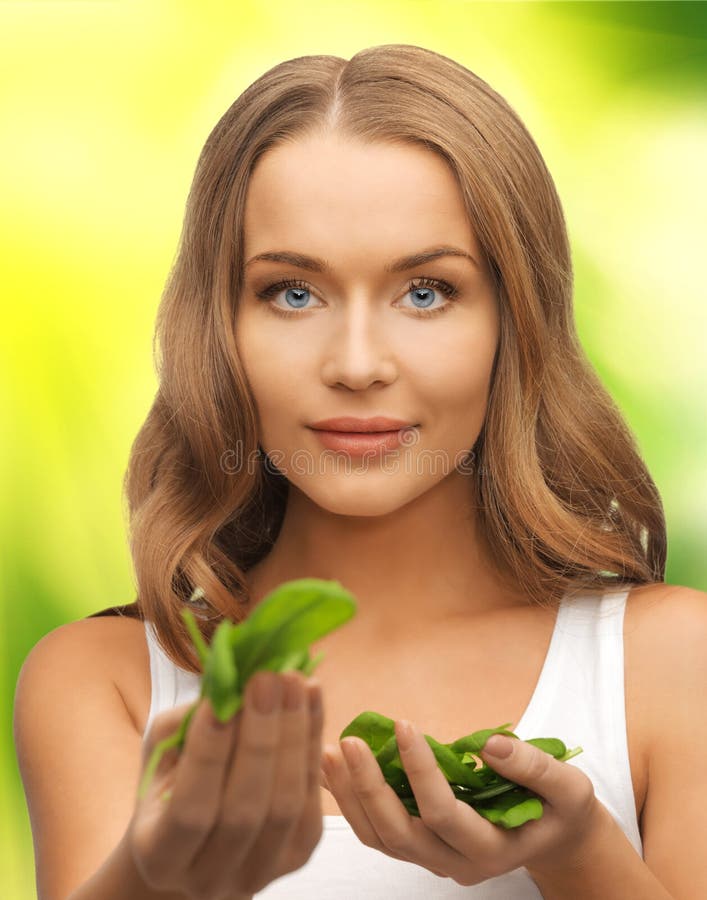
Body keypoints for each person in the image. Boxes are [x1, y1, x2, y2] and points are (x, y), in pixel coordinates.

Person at [13, 43, 706, 900]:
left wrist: (576, 855)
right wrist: (158, 879)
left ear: (512, 320)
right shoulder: (103, 680)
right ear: (218, 328)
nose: (356, 363)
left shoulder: (672, 660)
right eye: (292, 293)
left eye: (425, 291)